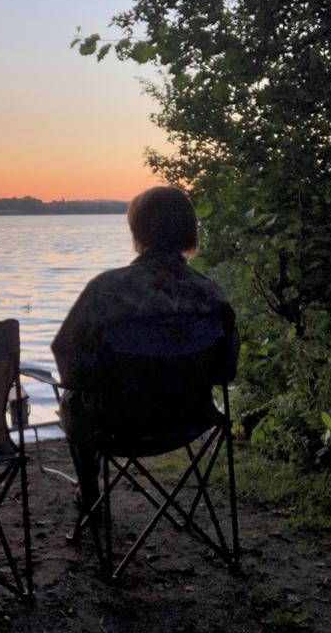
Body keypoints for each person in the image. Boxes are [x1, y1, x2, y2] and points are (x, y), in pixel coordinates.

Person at [51, 186, 238, 511]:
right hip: (189, 421)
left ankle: (89, 495)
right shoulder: (211, 295)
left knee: (73, 400)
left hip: (115, 425)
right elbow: (226, 369)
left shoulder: (106, 290)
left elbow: (67, 356)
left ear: (138, 231)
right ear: (188, 231)